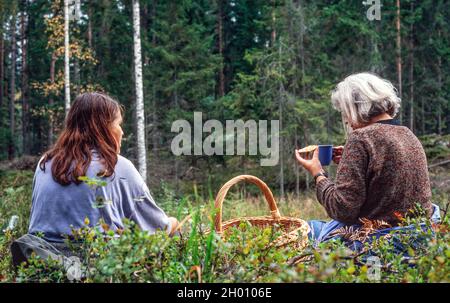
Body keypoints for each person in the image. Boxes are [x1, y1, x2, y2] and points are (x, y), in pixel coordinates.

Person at [295, 72, 440, 245]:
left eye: (344, 112)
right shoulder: (407, 134)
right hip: (419, 238)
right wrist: (354, 165)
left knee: (305, 230)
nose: (347, 121)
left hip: (379, 242)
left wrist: (318, 174)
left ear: (354, 107)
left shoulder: (361, 138)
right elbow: (388, 186)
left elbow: (342, 209)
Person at [28, 92, 179, 244]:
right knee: (175, 230)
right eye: (118, 124)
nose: (122, 132)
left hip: (40, 261)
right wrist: (174, 223)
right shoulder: (116, 166)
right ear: (103, 128)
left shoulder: (45, 163)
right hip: (95, 263)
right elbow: (156, 229)